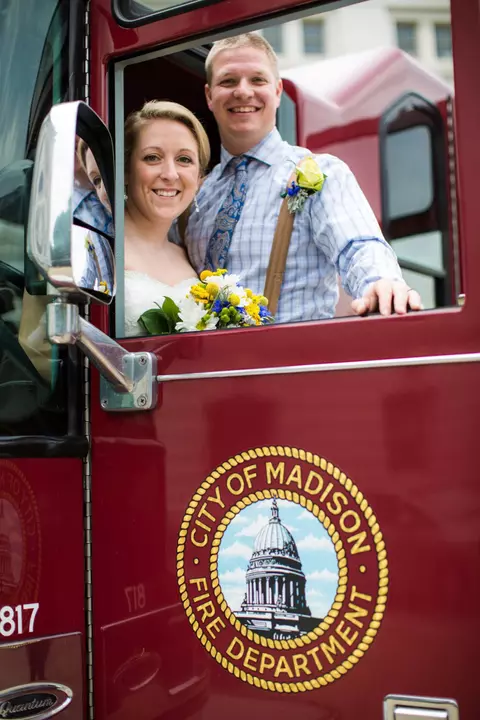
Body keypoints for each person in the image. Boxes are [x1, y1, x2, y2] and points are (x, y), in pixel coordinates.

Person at [181, 33, 423, 324]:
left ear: (277, 91)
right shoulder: (192, 194)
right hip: (200, 368)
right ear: (209, 95)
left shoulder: (322, 172)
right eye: (228, 81)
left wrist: (381, 282)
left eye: (257, 80)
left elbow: (358, 245)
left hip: (290, 364)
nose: (243, 92)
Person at [122, 100, 210, 336]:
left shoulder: (186, 255)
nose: (170, 174)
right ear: (125, 171)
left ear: (199, 178)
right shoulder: (96, 245)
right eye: (152, 157)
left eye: (184, 160)